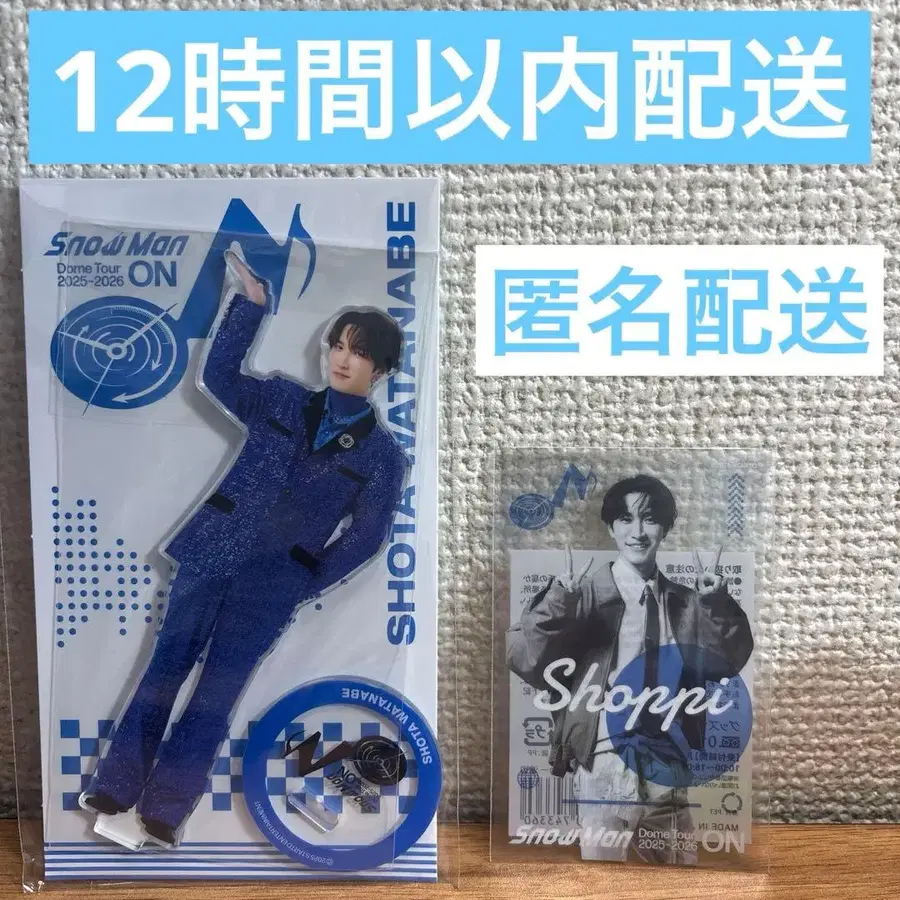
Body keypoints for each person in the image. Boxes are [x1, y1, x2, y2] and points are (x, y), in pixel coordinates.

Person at [80, 251, 409, 848]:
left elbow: (366, 537)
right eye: (337, 345)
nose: (342, 358)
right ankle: (114, 785)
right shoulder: (281, 400)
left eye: (359, 352)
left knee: (217, 694)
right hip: (210, 555)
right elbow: (221, 376)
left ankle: (165, 808)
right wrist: (250, 307)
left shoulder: (382, 458)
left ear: (381, 369)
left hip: (273, 585)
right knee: (164, 670)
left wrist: (304, 580)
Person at [506, 474, 753, 865]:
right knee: (602, 877)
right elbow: (525, 659)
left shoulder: (688, 602)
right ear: (611, 527)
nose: (637, 532)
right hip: (604, 755)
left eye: (649, 519)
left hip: (669, 759)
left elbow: (727, 662)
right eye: (625, 519)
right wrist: (558, 601)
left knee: (679, 877)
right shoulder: (580, 593)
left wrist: (716, 603)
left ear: (665, 527)